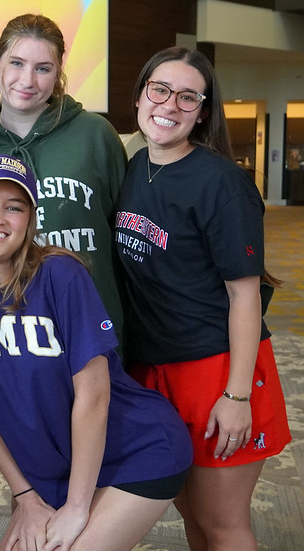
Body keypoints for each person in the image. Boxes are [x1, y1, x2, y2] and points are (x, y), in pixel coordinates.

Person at [0, 154, 193, 551]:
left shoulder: (59, 274)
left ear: (30, 219)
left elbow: (95, 397)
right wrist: (24, 495)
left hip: (135, 450)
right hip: (53, 471)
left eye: (14, 207)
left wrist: (76, 506)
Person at [114, 47, 291, 550]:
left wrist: (236, 397)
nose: (169, 104)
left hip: (219, 367)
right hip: (156, 367)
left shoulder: (222, 183)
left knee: (222, 523)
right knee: (190, 512)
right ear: (141, 95)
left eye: (187, 97)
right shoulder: (132, 169)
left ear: (203, 111)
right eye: (160, 90)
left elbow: (245, 296)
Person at [0, 13, 127, 342]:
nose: (27, 80)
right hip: (13, 337)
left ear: (58, 71)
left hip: (95, 327)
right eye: (16, 63)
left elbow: (126, 238)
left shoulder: (96, 136)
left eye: (43, 68)